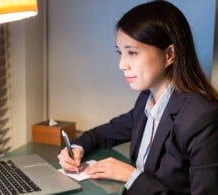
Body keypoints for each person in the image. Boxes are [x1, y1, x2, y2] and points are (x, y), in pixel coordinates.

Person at [57, 1, 218, 194]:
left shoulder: (202, 118)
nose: (122, 65)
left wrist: (131, 176)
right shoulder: (147, 100)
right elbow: (102, 135)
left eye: (132, 53)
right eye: (120, 52)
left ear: (169, 54)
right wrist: (75, 148)